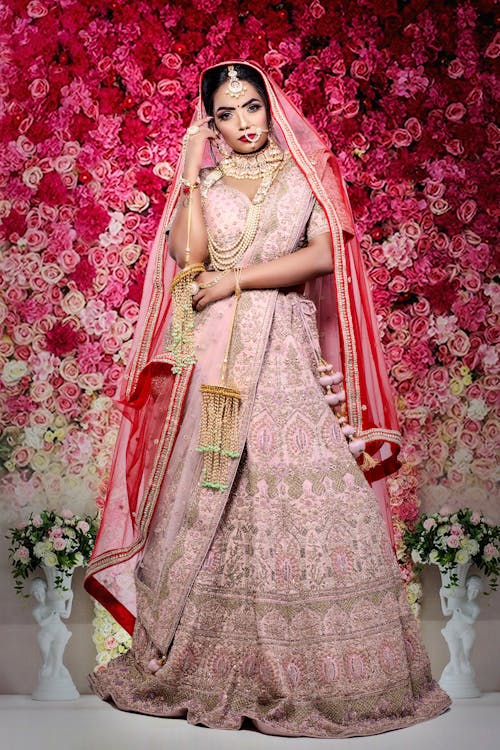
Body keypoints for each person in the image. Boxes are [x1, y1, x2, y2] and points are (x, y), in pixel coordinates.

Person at [84, 61, 450, 737]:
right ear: (210, 121)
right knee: (212, 500)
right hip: (216, 360)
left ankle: (330, 674)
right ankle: (203, 664)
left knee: (301, 496)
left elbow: (322, 257)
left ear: (269, 107)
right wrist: (191, 168)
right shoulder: (208, 179)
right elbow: (188, 258)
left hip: (281, 350)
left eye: (251, 107)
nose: (243, 123)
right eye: (226, 114)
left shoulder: (304, 174)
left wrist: (237, 282)